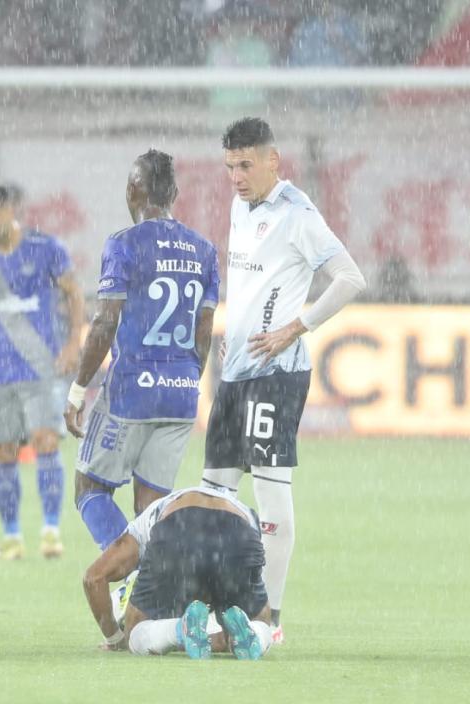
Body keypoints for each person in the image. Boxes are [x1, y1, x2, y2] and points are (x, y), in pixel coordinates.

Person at [202, 117, 367, 642]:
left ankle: (269, 619)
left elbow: (350, 278)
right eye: (230, 166)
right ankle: (217, 607)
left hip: (277, 374)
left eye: (246, 164)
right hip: (235, 370)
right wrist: (236, 328)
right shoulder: (239, 205)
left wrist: (295, 327)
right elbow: (255, 280)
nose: (236, 175)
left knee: (271, 503)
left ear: (274, 160)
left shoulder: (297, 214)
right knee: (216, 497)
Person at [64, 149, 219, 551]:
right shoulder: (204, 250)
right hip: (182, 391)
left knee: (89, 487)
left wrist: (79, 388)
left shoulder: (123, 244)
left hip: (133, 389)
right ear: (175, 193)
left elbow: (105, 321)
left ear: (134, 188)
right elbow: (205, 332)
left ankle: (129, 579)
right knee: (151, 509)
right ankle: (160, 598)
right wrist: (182, 379)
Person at [0, 181, 83, 561]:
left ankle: (51, 533)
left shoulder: (46, 249)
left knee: (46, 441)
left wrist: (75, 342)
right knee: (4, 451)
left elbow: (74, 294)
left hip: (41, 363)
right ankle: (11, 537)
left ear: (10, 211)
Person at [82, 485, 274, 660]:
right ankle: (254, 634)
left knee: (135, 631)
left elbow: (93, 578)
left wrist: (115, 638)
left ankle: (180, 630)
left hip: (177, 528)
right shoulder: (242, 512)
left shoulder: (139, 530)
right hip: (239, 533)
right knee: (261, 622)